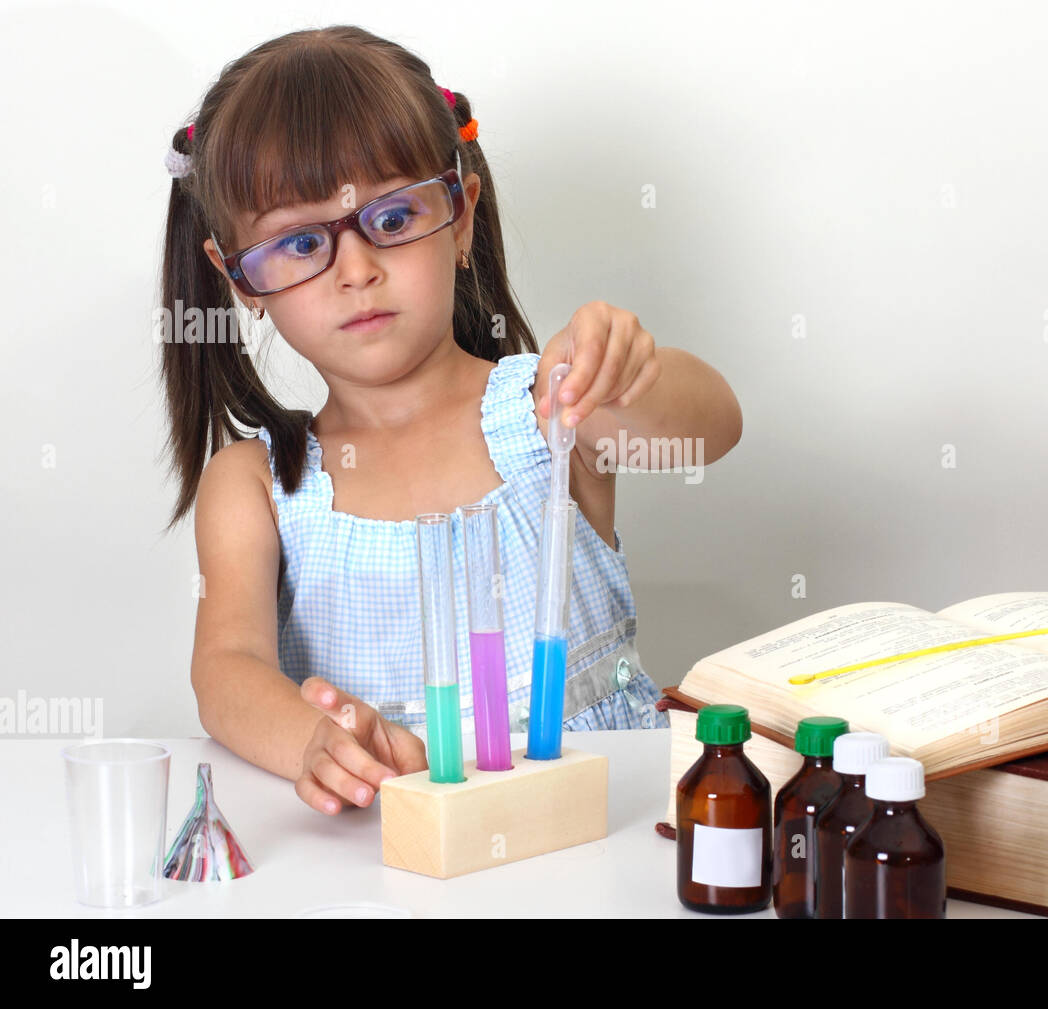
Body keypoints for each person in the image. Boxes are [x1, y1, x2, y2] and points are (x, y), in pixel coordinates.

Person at [158, 25, 742, 815]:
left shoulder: (552, 406)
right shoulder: (258, 484)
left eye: (393, 221)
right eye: (301, 243)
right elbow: (226, 668)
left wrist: (623, 369)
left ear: (461, 216)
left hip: (600, 832)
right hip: (388, 857)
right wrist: (309, 739)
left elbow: (713, 426)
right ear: (242, 282)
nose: (357, 270)